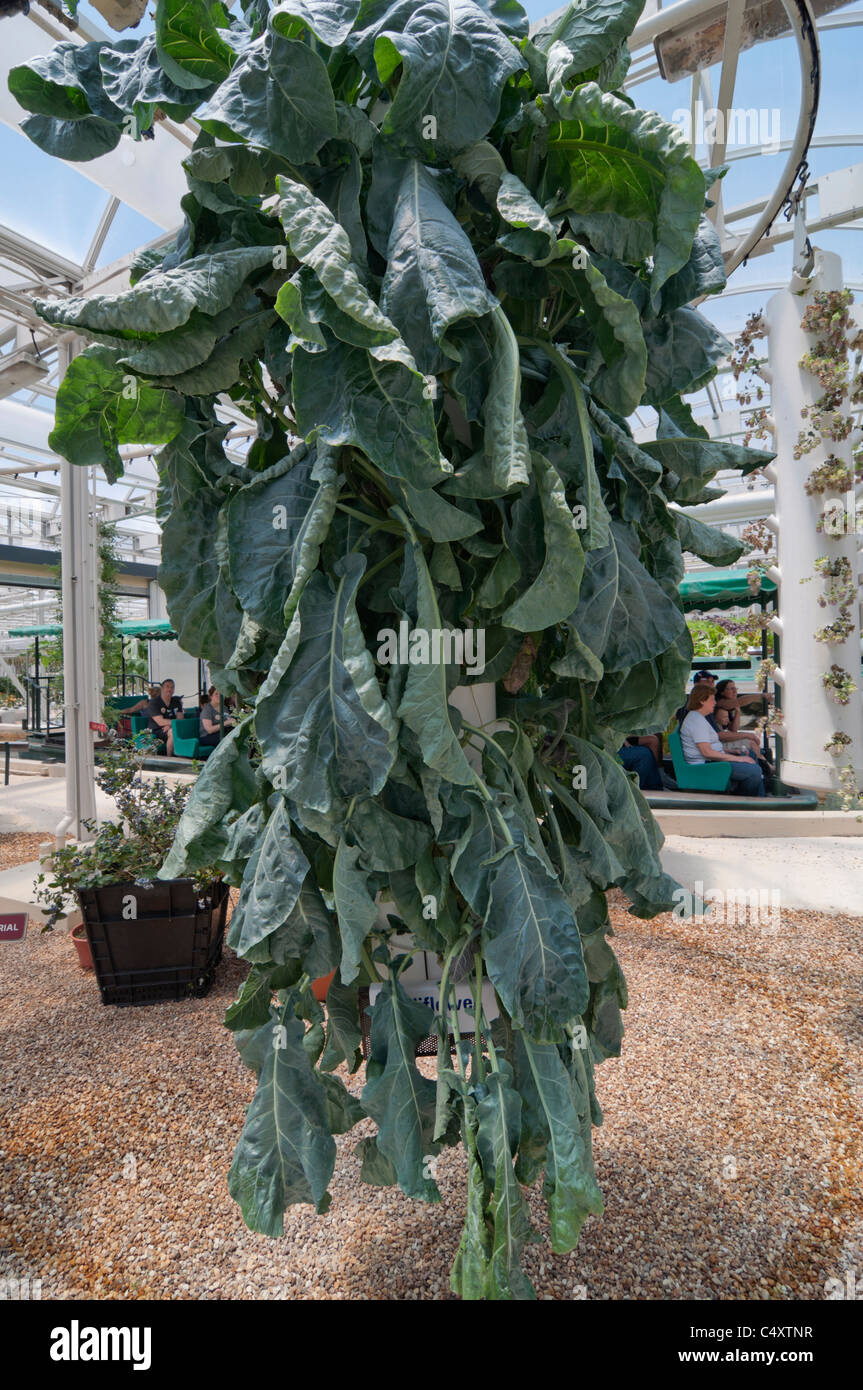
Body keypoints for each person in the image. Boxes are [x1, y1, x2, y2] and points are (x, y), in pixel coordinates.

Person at [680, 683, 765, 796]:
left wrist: (730, 752)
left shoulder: (699, 718)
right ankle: (745, 800)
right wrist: (739, 759)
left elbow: (709, 747)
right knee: (754, 771)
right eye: (712, 700)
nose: (715, 703)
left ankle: (759, 797)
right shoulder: (696, 721)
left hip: (712, 761)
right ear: (702, 701)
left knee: (751, 755)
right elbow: (707, 752)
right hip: (707, 766)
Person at [144, 678, 183, 755]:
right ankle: (169, 758)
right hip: (157, 730)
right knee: (173, 732)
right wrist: (173, 725)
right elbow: (160, 722)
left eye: (172, 687)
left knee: (177, 730)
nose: (170, 689)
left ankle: (185, 756)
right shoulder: (154, 702)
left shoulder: (176, 701)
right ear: (162, 688)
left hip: (171, 727)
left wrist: (171, 725)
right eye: (167, 687)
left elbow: (181, 718)